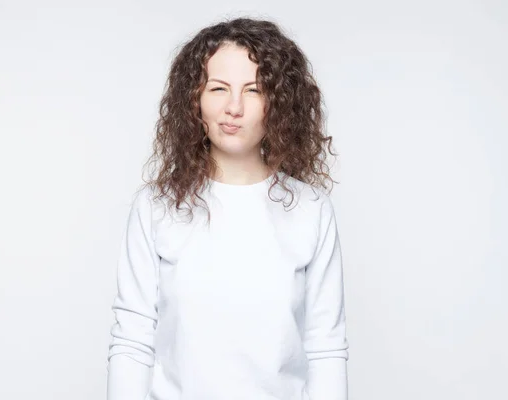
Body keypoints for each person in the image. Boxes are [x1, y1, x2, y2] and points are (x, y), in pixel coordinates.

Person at [106, 17, 349, 400]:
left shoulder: (311, 209)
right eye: (218, 88)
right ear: (195, 100)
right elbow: (132, 340)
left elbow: (326, 348)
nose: (233, 107)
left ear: (279, 105)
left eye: (253, 91)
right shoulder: (155, 206)